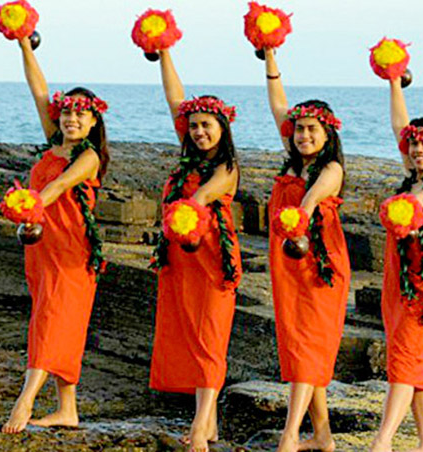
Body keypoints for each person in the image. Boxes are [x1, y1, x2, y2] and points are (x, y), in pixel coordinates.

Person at [1, 35, 110, 434]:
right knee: (54, 321)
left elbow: (57, 188)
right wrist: (24, 45)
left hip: (72, 249)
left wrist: (27, 207)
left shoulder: (89, 157)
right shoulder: (54, 144)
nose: (72, 120)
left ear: (94, 121)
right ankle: (68, 409)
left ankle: (25, 399)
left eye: (82, 115)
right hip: (41, 245)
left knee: (53, 321)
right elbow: (38, 89)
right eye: (67, 113)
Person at [148, 48, 242, 452]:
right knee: (191, 336)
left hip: (212, 259)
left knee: (210, 338)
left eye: (206, 125)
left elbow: (200, 200)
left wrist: (182, 217)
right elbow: (174, 99)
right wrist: (164, 52)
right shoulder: (187, 158)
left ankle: (201, 425)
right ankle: (212, 422)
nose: (199, 131)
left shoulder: (227, 168)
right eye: (194, 125)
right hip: (181, 258)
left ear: (222, 127)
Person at [263, 47, 351, 452]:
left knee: (308, 347)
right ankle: (323, 436)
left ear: (328, 134)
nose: (304, 136)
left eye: (313, 130)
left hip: (318, 265)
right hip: (287, 263)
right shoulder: (291, 163)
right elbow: (278, 103)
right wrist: (271, 57)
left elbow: (309, 204)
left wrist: (298, 215)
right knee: (300, 346)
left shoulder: (330, 169)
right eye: (299, 130)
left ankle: (289, 436)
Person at [370, 76, 423, 452]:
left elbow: (415, 207)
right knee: (414, 360)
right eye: (414, 144)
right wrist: (393, 82)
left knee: (404, 358)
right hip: (397, 282)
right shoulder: (411, 181)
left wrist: (401, 204)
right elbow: (398, 127)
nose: (418, 149)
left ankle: (383, 442)